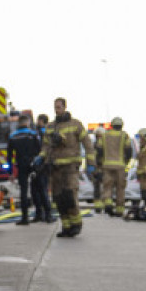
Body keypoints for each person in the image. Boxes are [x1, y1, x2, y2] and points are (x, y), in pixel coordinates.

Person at [33, 98, 95, 238]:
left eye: (59, 107)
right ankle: (66, 226)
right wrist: (41, 157)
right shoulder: (50, 126)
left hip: (70, 167)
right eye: (55, 107)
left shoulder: (75, 124)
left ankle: (76, 225)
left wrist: (91, 163)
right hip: (55, 168)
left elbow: (88, 144)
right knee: (58, 198)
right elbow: (46, 146)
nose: (57, 110)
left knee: (69, 195)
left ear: (65, 107)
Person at [6, 115, 40, 225]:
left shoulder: (12, 136)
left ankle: (25, 218)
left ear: (18, 123)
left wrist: (10, 172)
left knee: (23, 192)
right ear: (28, 122)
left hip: (21, 165)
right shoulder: (33, 134)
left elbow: (9, 156)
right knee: (37, 190)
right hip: (34, 164)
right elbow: (40, 150)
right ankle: (41, 214)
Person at [99, 117, 134, 217]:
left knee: (107, 186)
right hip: (120, 165)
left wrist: (100, 163)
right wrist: (126, 161)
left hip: (107, 165)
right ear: (121, 125)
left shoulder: (105, 135)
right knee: (120, 187)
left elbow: (99, 150)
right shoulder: (124, 135)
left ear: (112, 125)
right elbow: (128, 150)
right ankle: (119, 210)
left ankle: (108, 204)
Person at [31, 114, 52, 222]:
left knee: (41, 190)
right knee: (37, 190)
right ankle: (41, 214)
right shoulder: (37, 133)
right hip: (39, 164)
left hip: (42, 164)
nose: (36, 122)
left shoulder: (44, 133)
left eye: (38, 120)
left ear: (42, 121)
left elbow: (46, 149)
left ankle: (46, 214)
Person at [91, 126, 106, 213]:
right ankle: (98, 206)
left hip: (102, 168)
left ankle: (100, 205)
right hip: (98, 168)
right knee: (98, 188)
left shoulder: (98, 145)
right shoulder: (95, 145)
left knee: (101, 188)